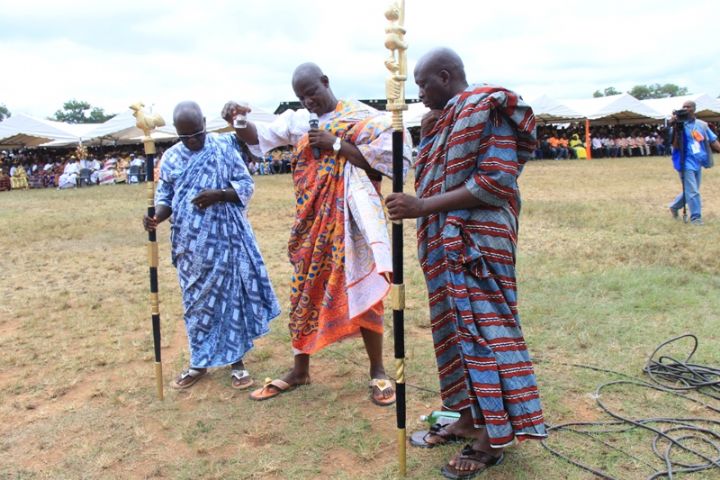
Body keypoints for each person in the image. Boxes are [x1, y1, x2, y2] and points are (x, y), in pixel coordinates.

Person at [385, 48, 547, 478]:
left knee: (484, 331)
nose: (418, 94)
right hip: (444, 244)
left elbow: (494, 183)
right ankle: (471, 417)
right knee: (455, 329)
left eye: (423, 85)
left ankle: (494, 437)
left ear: (445, 75)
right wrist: (427, 135)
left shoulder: (487, 108)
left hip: (477, 245)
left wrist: (422, 206)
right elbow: (436, 172)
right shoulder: (445, 120)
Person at [222, 62, 412, 406]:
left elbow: (389, 163)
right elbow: (258, 137)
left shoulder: (361, 118)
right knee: (303, 290)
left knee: (366, 287)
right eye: (301, 96)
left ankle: (378, 370)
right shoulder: (297, 122)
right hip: (312, 224)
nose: (308, 101)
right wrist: (239, 121)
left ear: (326, 82)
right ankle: (300, 370)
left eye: (311, 92)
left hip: (352, 223)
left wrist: (336, 144)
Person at [142, 101, 280, 390]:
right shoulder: (171, 159)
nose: (192, 141)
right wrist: (156, 216)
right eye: (185, 137)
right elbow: (165, 197)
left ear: (205, 124)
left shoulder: (222, 147)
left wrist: (218, 194)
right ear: (177, 133)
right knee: (195, 303)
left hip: (226, 239)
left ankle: (237, 362)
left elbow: (245, 184)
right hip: (189, 246)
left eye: (197, 134)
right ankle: (199, 362)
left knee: (231, 300)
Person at [668, 100, 720, 225]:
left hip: (698, 161)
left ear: (694, 109)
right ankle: (696, 218)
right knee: (693, 191)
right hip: (684, 161)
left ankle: (674, 206)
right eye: (683, 106)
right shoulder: (679, 125)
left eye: (688, 106)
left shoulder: (702, 125)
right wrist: (675, 126)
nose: (685, 108)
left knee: (692, 189)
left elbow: (713, 140)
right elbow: (674, 145)